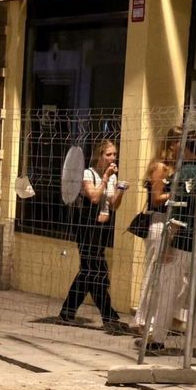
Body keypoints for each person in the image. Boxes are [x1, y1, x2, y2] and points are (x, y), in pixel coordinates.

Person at [142, 131, 196, 355]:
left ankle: (157, 337)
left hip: (179, 243)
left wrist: (166, 246)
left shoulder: (179, 176)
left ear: (186, 148)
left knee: (167, 291)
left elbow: (173, 214)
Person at [59, 139, 126, 330]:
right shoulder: (88, 173)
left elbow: (113, 204)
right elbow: (95, 198)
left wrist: (120, 190)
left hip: (103, 230)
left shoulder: (112, 177)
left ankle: (69, 312)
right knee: (97, 272)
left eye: (114, 154)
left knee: (91, 272)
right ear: (99, 155)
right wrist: (105, 177)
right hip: (87, 228)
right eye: (109, 154)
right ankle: (108, 315)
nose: (113, 158)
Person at [130, 130, 178, 336]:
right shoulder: (160, 167)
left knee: (167, 274)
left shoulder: (177, 167)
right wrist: (177, 194)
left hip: (172, 222)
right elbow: (156, 198)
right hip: (158, 222)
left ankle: (160, 317)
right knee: (154, 272)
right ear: (171, 143)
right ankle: (143, 319)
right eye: (180, 142)